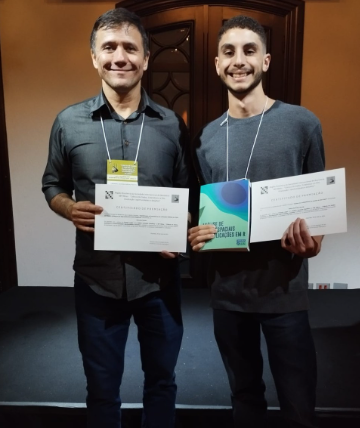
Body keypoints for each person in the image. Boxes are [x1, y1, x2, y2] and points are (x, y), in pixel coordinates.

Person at [42, 8, 191, 428]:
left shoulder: (172, 127)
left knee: (162, 382)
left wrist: (179, 231)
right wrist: (69, 208)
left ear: (146, 59)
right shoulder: (68, 122)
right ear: (94, 57)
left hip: (158, 282)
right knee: (101, 390)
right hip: (96, 281)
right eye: (109, 47)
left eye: (130, 47)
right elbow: (52, 185)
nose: (119, 57)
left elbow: (188, 195)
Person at [188, 15, 325, 428]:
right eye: (229, 52)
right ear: (216, 64)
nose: (239, 60)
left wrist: (314, 241)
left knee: (299, 405)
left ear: (266, 60)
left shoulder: (302, 123)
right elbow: (203, 207)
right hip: (227, 293)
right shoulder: (206, 137)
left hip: (284, 290)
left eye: (249, 50)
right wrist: (195, 232)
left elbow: (317, 208)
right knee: (244, 400)